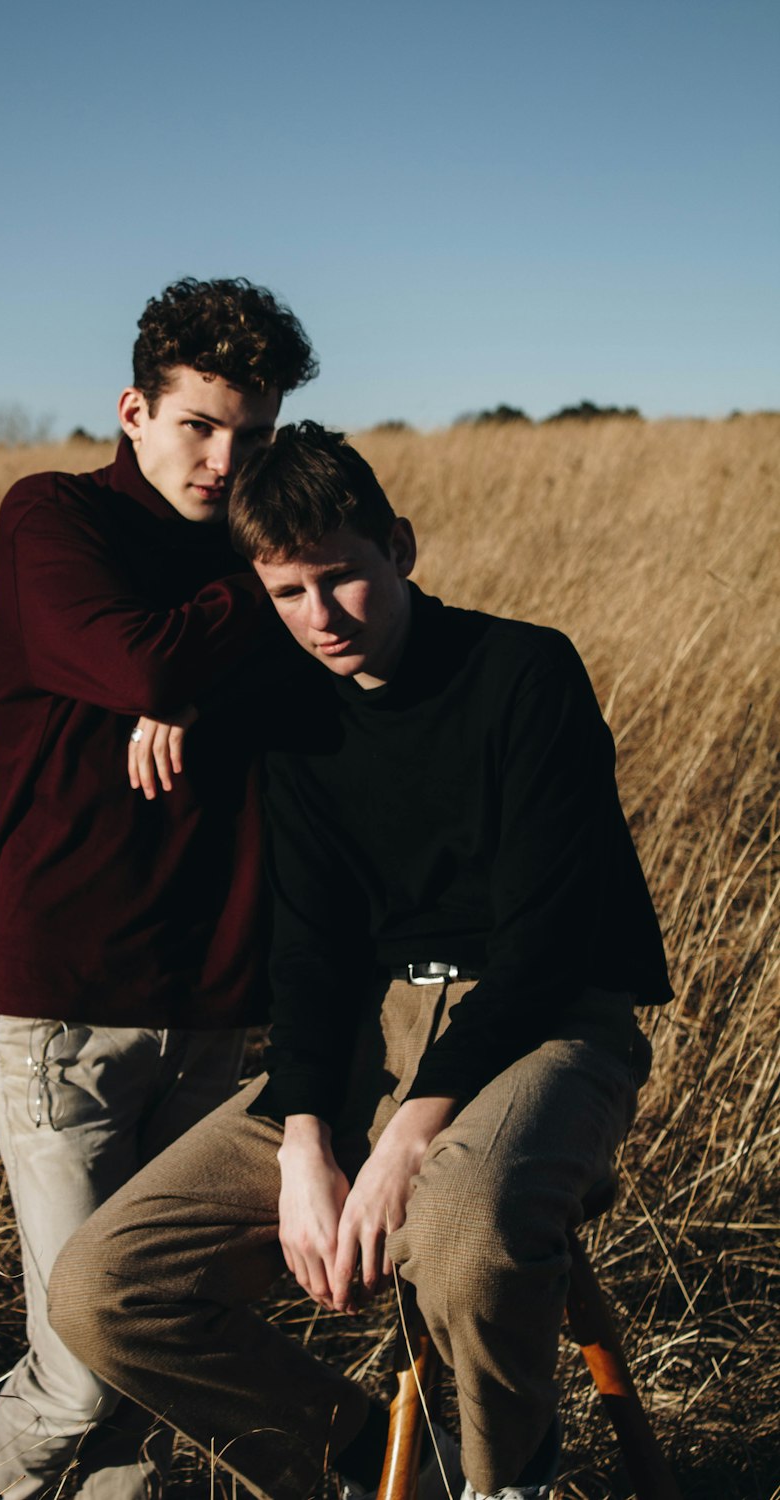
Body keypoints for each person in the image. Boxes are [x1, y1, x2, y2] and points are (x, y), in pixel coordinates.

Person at [48, 422, 673, 1500]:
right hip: (368, 1039)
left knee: (459, 1236)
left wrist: (401, 1147)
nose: (320, 619)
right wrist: (304, 1144)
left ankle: (498, 1481)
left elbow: (541, 947)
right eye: (287, 595)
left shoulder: (523, 670)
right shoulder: (296, 718)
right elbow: (311, 949)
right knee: (102, 1285)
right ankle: (383, 1463)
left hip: (549, 1026)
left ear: (402, 547)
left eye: (340, 579)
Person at [0, 282, 317, 1500]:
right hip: (68, 1004)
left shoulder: (275, 566)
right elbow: (128, 655)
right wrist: (221, 622)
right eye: (200, 427)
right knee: (80, 1374)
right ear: (134, 409)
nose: (229, 464)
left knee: (146, 1356)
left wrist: (197, 666)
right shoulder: (57, 520)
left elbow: (335, 676)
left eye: (257, 439)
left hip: (219, 1008)